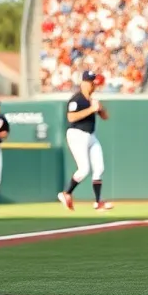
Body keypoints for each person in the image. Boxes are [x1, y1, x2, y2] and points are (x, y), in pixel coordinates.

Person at [58, 70, 113, 211]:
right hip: (77, 134)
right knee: (83, 169)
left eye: (93, 82)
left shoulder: (92, 100)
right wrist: (91, 109)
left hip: (91, 135)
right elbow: (71, 117)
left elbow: (106, 117)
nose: (92, 85)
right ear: (83, 83)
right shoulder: (77, 99)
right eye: (89, 82)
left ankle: (98, 202)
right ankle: (66, 193)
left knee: (99, 168)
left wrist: (100, 108)